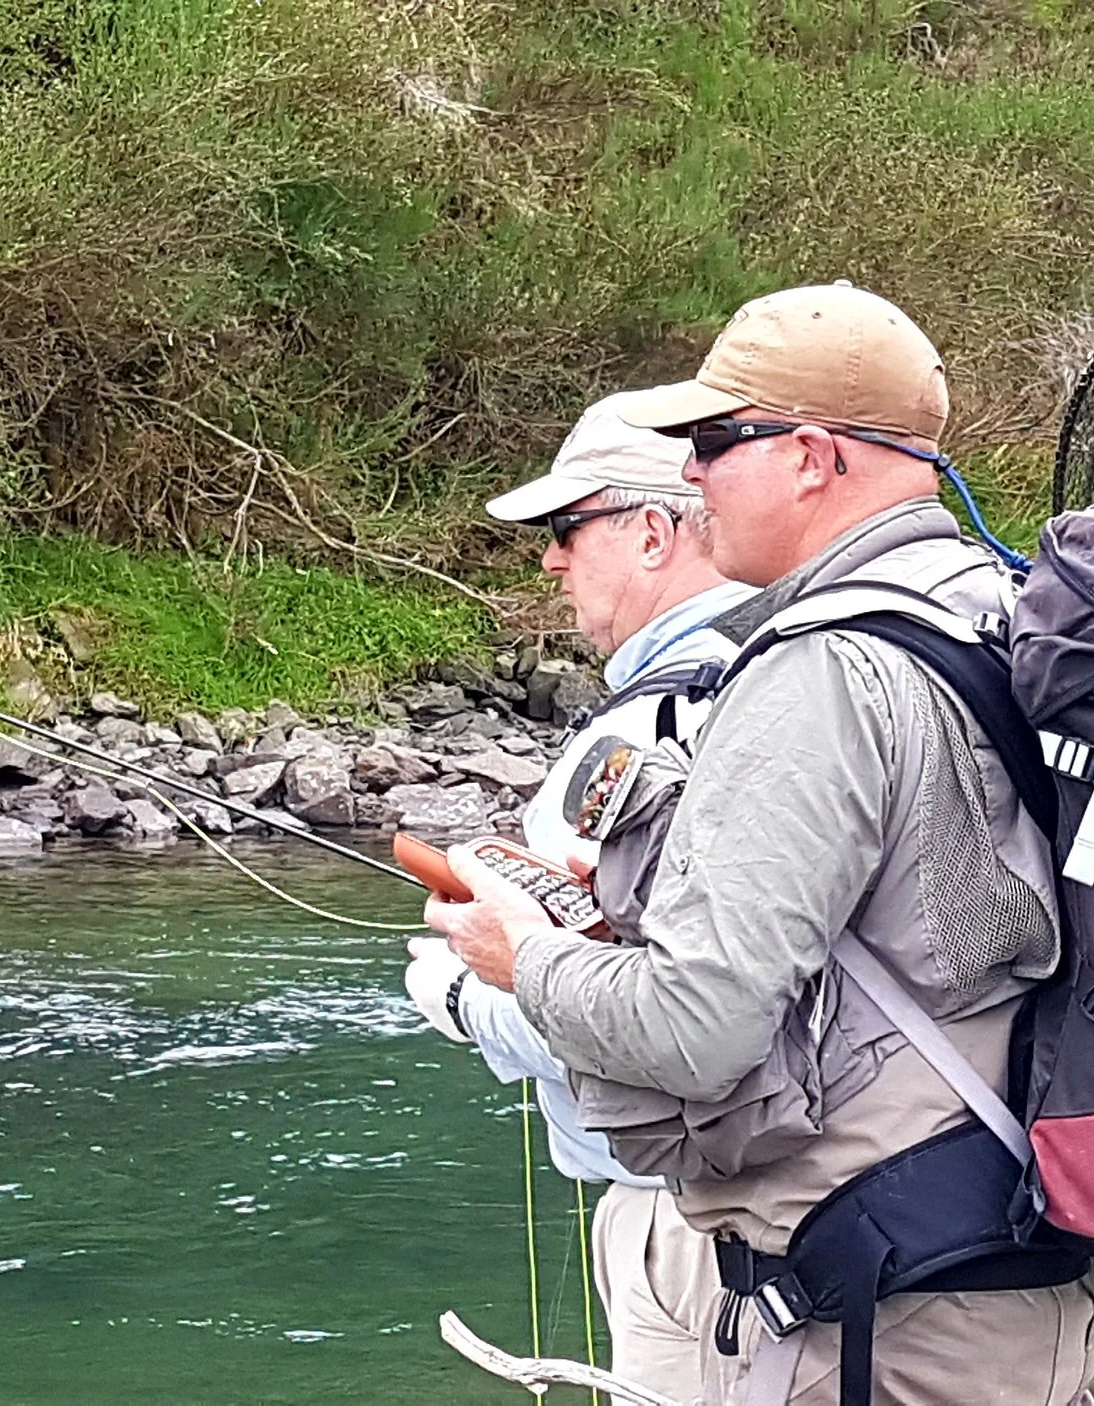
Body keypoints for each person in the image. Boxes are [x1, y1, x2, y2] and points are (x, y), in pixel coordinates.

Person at [426, 284, 1094, 1405]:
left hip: (887, 1320)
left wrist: (524, 957)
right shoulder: (991, 606)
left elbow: (693, 1030)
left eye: (711, 441)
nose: (690, 475)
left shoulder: (822, 672)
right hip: (1003, 1270)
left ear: (808, 455)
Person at [402, 394, 755, 1400]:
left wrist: (459, 994)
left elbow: (613, 1026)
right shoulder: (802, 676)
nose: (549, 561)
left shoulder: (638, 738)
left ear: (652, 529)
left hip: (695, 1230)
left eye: (567, 530)